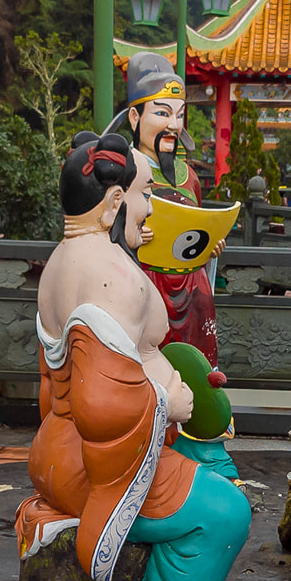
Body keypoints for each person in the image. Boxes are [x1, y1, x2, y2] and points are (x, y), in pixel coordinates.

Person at [19, 133, 253, 581]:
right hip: (96, 461)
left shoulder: (65, 257)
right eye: (147, 194)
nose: (154, 209)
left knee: (211, 463)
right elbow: (102, 400)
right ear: (115, 200)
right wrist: (167, 405)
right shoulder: (111, 275)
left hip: (56, 448)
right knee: (226, 512)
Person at [112, 52, 220, 362]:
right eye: (162, 113)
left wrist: (210, 244)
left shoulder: (189, 177)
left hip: (191, 289)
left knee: (195, 370)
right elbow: (99, 228)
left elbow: (195, 229)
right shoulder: (122, 171)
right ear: (135, 118)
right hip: (143, 285)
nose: (173, 125)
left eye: (179, 115)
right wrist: (128, 237)